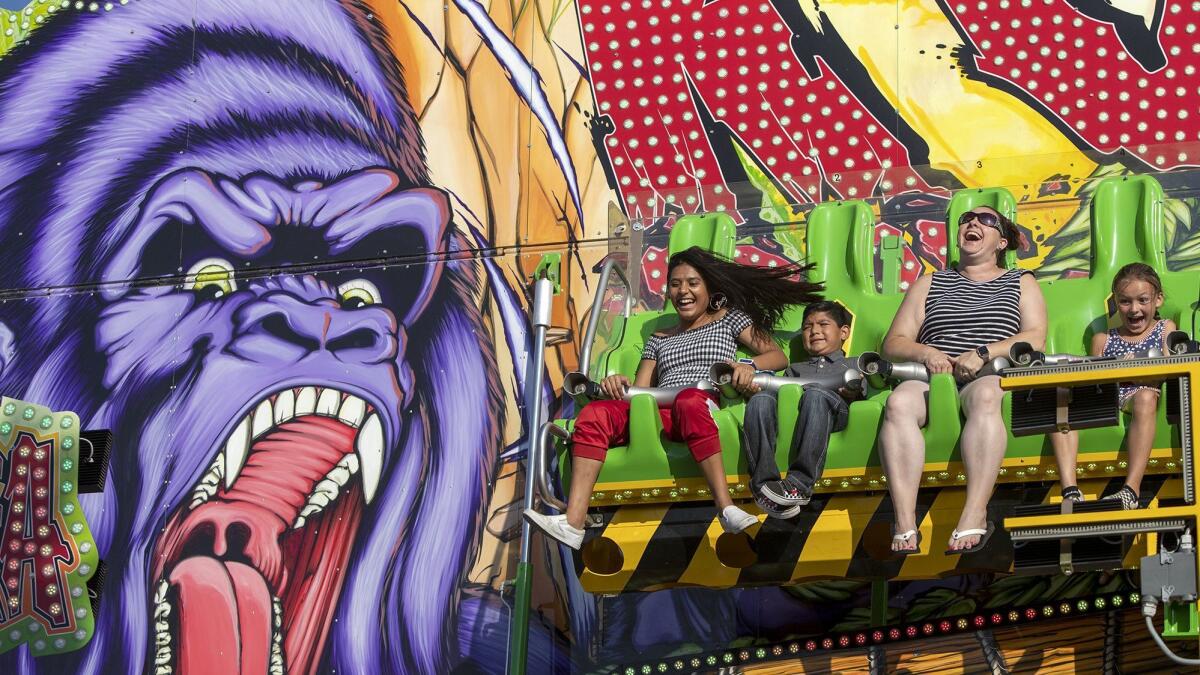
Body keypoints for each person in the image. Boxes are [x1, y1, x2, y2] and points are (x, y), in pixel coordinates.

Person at [524, 246, 824, 549]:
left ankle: (726, 507)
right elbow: (640, 390)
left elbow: (776, 356)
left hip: (697, 403)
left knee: (687, 401)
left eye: (693, 283)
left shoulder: (729, 319)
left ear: (709, 289)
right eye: (676, 284)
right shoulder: (659, 338)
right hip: (659, 407)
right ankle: (574, 523)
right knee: (595, 414)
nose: (684, 291)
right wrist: (616, 384)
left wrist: (746, 366)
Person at [879, 206, 1047, 555]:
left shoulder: (1020, 280)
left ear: (1002, 241)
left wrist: (983, 352)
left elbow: (1035, 336)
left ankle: (975, 512)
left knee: (986, 397)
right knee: (898, 403)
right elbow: (894, 342)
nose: (973, 222)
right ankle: (904, 521)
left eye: (986, 220)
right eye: (967, 218)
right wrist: (927, 354)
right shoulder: (930, 281)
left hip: (987, 373)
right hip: (933, 377)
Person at [1050, 262, 1176, 509]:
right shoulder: (1104, 339)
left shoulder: (1164, 329)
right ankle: (1070, 489)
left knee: (1146, 396)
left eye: (1142, 300)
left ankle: (1131, 489)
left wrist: (1133, 372)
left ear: (1157, 300)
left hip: (1139, 394)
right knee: (1060, 396)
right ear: (1116, 302)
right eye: (1125, 301)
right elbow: (1096, 380)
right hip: (1109, 395)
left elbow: (1166, 370)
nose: (1134, 309)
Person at [741, 301, 861, 518]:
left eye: (823, 324)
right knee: (761, 400)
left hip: (835, 412)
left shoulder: (854, 364)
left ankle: (799, 484)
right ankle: (764, 485)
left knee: (815, 394)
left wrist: (853, 388)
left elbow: (863, 389)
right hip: (800, 413)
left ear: (844, 332)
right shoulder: (795, 369)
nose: (814, 331)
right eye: (807, 327)